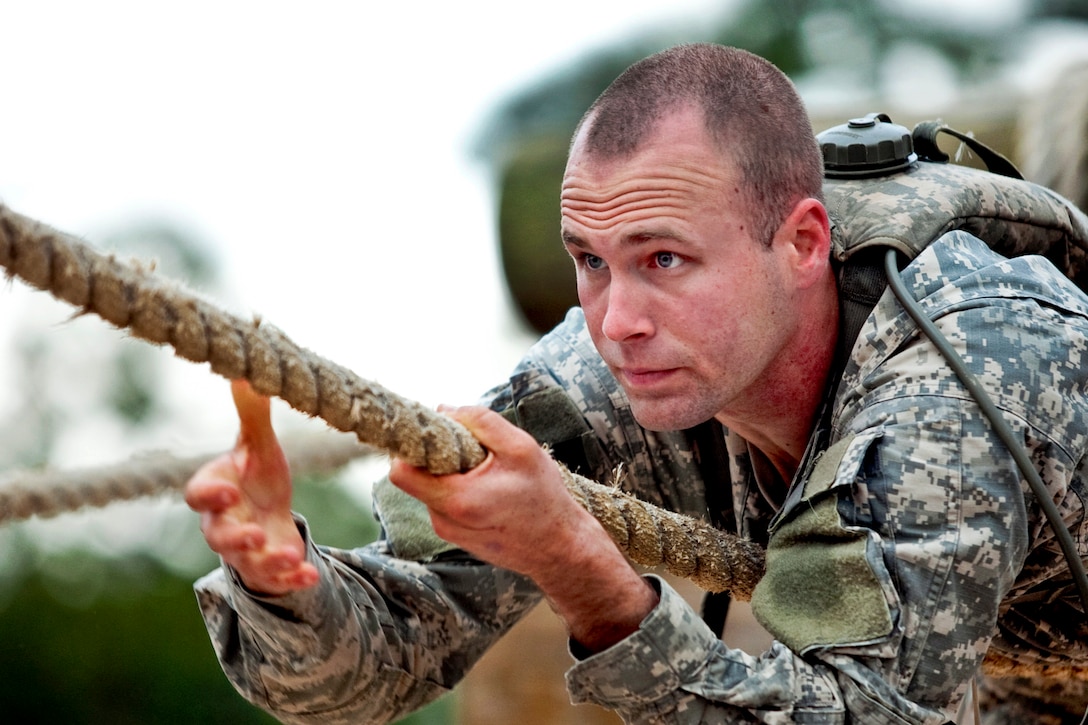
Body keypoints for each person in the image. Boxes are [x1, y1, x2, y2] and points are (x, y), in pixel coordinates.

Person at [186, 44, 1088, 723]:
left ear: (804, 244)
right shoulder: (601, 379)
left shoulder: (959, 369)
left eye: (665, 258)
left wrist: (586, 575)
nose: (617, 321)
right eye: (590, 261)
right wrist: (286, 585)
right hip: (1013, 670)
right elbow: (381, 658)